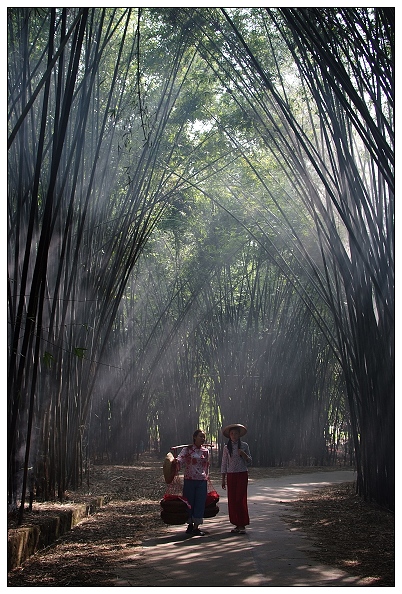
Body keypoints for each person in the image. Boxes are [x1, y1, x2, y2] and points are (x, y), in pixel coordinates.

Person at [174, 429, 210, 536]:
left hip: (201, 480)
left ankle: (196, 527)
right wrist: (176, 461)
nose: (202, 439)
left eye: (203, 437)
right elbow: (180, 459)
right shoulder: (187, 450)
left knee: (200, 502)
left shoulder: (205, 451)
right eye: (200, 436)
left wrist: (207, 477)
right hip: (189, 479)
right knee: (189, 503)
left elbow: (207, 466)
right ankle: (189, 525)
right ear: (194, 437)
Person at [221, 423, 251, 534]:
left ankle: (242, 524)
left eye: (236, 433)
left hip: (242, 474)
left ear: (239, 435)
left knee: (240, 499)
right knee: (232, 499)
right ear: (229, 435)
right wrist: (223, 479)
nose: (234, 435)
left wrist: (244, 455)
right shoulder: (226, 448)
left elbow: (250, 461)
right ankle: (236, 523)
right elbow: (224, 463)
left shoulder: (244, 446)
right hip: (231, 475)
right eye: (232, 433)